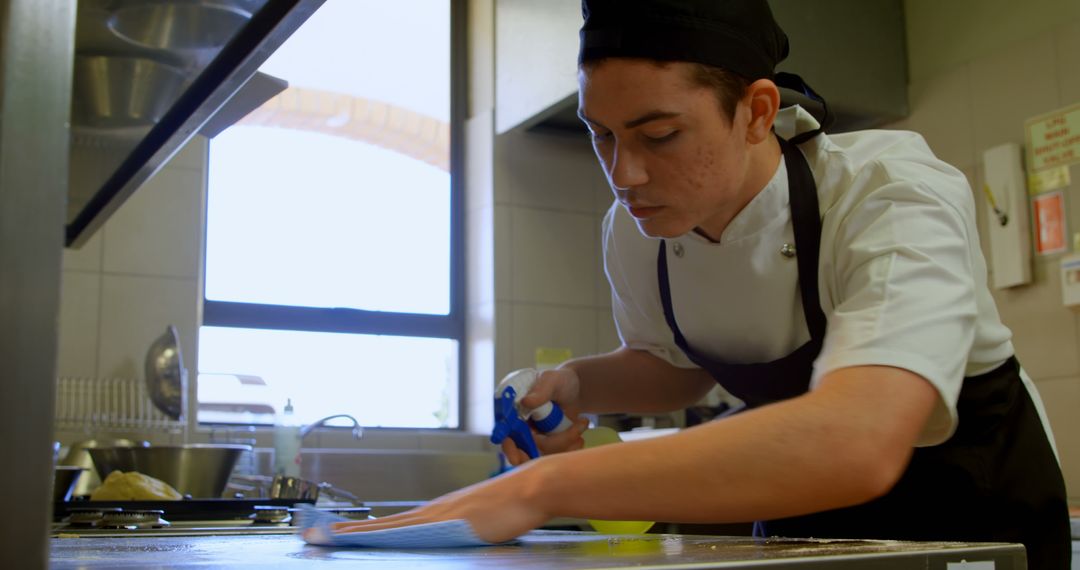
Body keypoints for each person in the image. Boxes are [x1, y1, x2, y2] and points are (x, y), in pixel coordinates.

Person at [332, 0, 1071, 566]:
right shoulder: (638, 230)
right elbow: (676, 367)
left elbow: (859, 437)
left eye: (659, 135)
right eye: (603, 136)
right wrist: (577, 384)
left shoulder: (888, 191)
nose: (625, 175)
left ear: (755, 112)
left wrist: (537, 490)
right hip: (804, 521)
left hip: (975, 520)